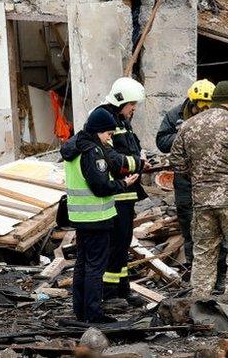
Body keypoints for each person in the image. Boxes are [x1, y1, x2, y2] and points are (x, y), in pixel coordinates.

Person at [168, 80, 228, 307]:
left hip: (202, 201)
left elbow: (176, 162)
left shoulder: (190, 126)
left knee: (203, 253)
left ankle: (198, 302)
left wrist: (199, 179)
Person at [60, 108, 139, 323]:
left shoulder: (73, 148)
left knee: (82, 265)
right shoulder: (92, 151)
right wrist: (124, 184)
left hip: (80, 217)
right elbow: (101, 186)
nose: (109, 139)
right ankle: (93, 313)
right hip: (97, 218)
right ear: (98, 131)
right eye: (108, 135)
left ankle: (81, 310)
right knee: (96, 267)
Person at [155, 79, 228, 286]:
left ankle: (220, 276)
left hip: (213, 181)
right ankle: (197, 276)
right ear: (191, 101)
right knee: (190, 228)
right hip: (186, 182)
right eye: (200, 106)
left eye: (208, 107)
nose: (202, 111)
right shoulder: (176, 115)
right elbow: (161, 142)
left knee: (217, 229)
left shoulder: (221, 116)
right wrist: (185, 134)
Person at [90, 77, 147, 307]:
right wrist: (138, 163)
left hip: (127, 193)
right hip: (115, 195)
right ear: (121, 100)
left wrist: (140, 159)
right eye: (132, 103)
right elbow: (112, 159)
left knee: (123, 243)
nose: (134, 108)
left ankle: (122, 289)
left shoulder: (122, 120)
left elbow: (130, 148)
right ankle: (110, 293)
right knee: (115, 245)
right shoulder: (104, 119)